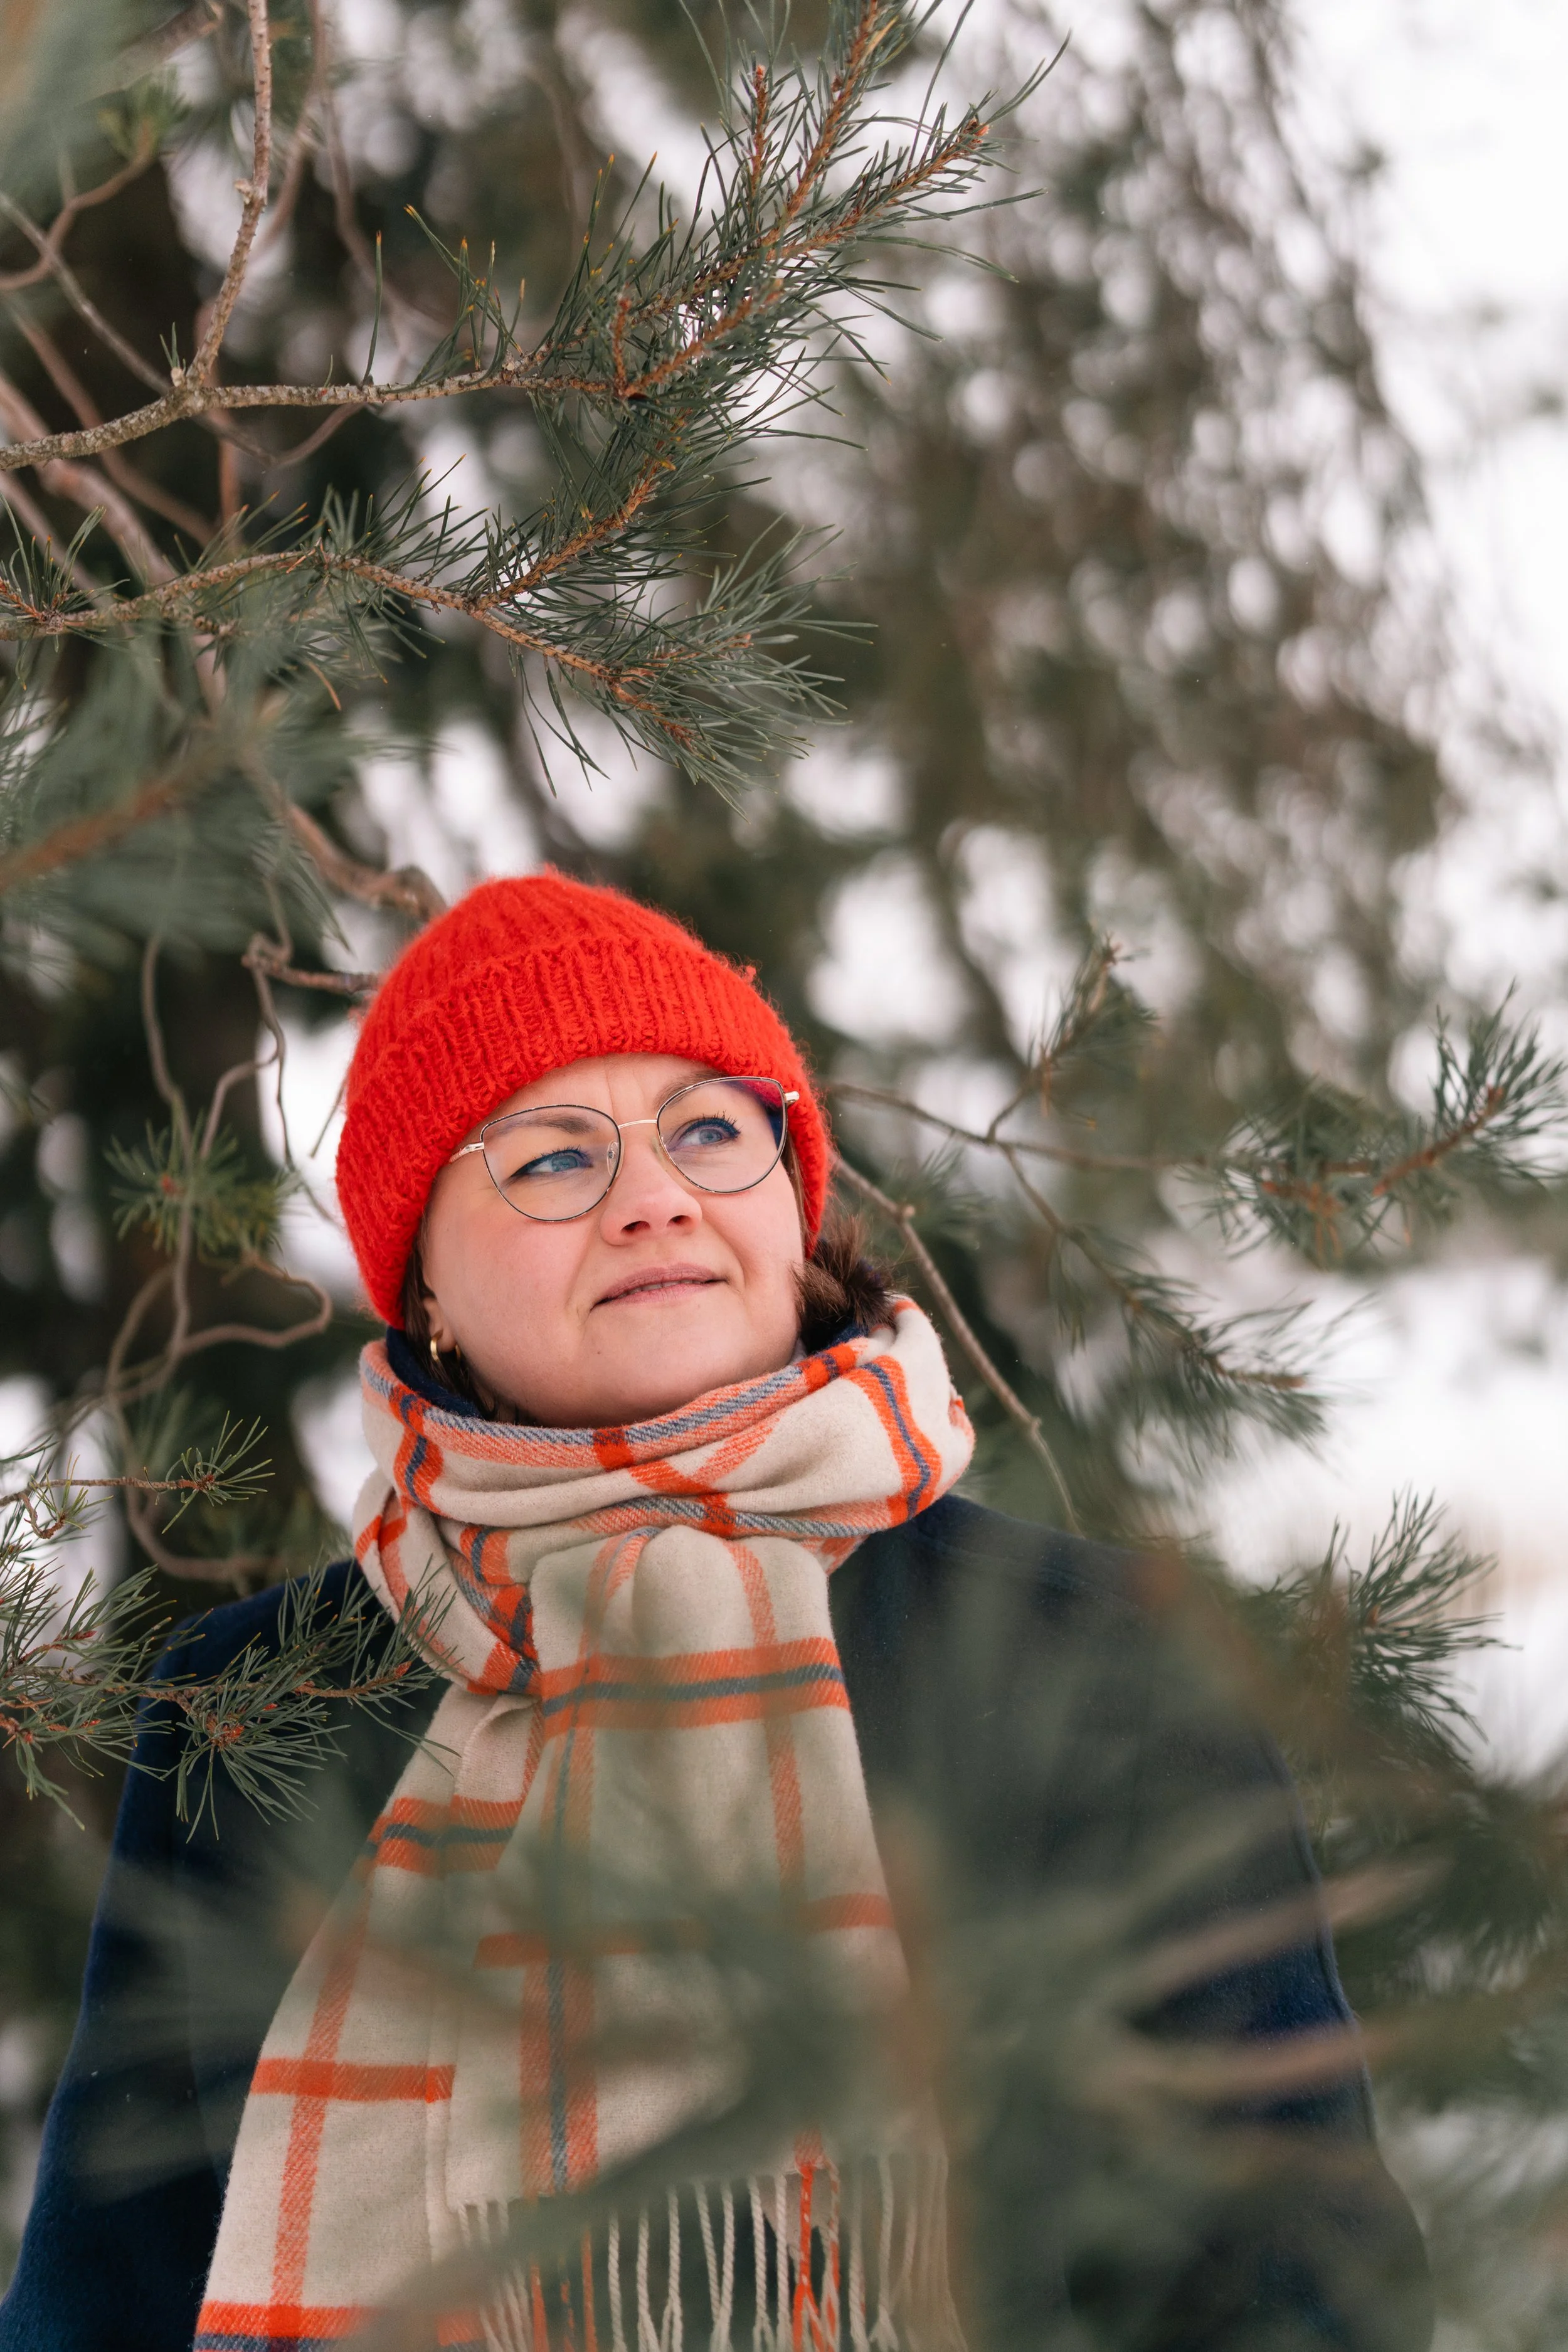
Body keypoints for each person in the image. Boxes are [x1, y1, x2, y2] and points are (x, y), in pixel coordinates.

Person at [1, 875, 1433, 2352]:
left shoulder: (1088, 1650)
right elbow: (106, 2295)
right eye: (553, 1157)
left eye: (707, 1130)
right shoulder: (259, 1704)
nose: (653, 1197)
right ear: (423, 1283)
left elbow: (1293, 2278)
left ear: (790, 1203)